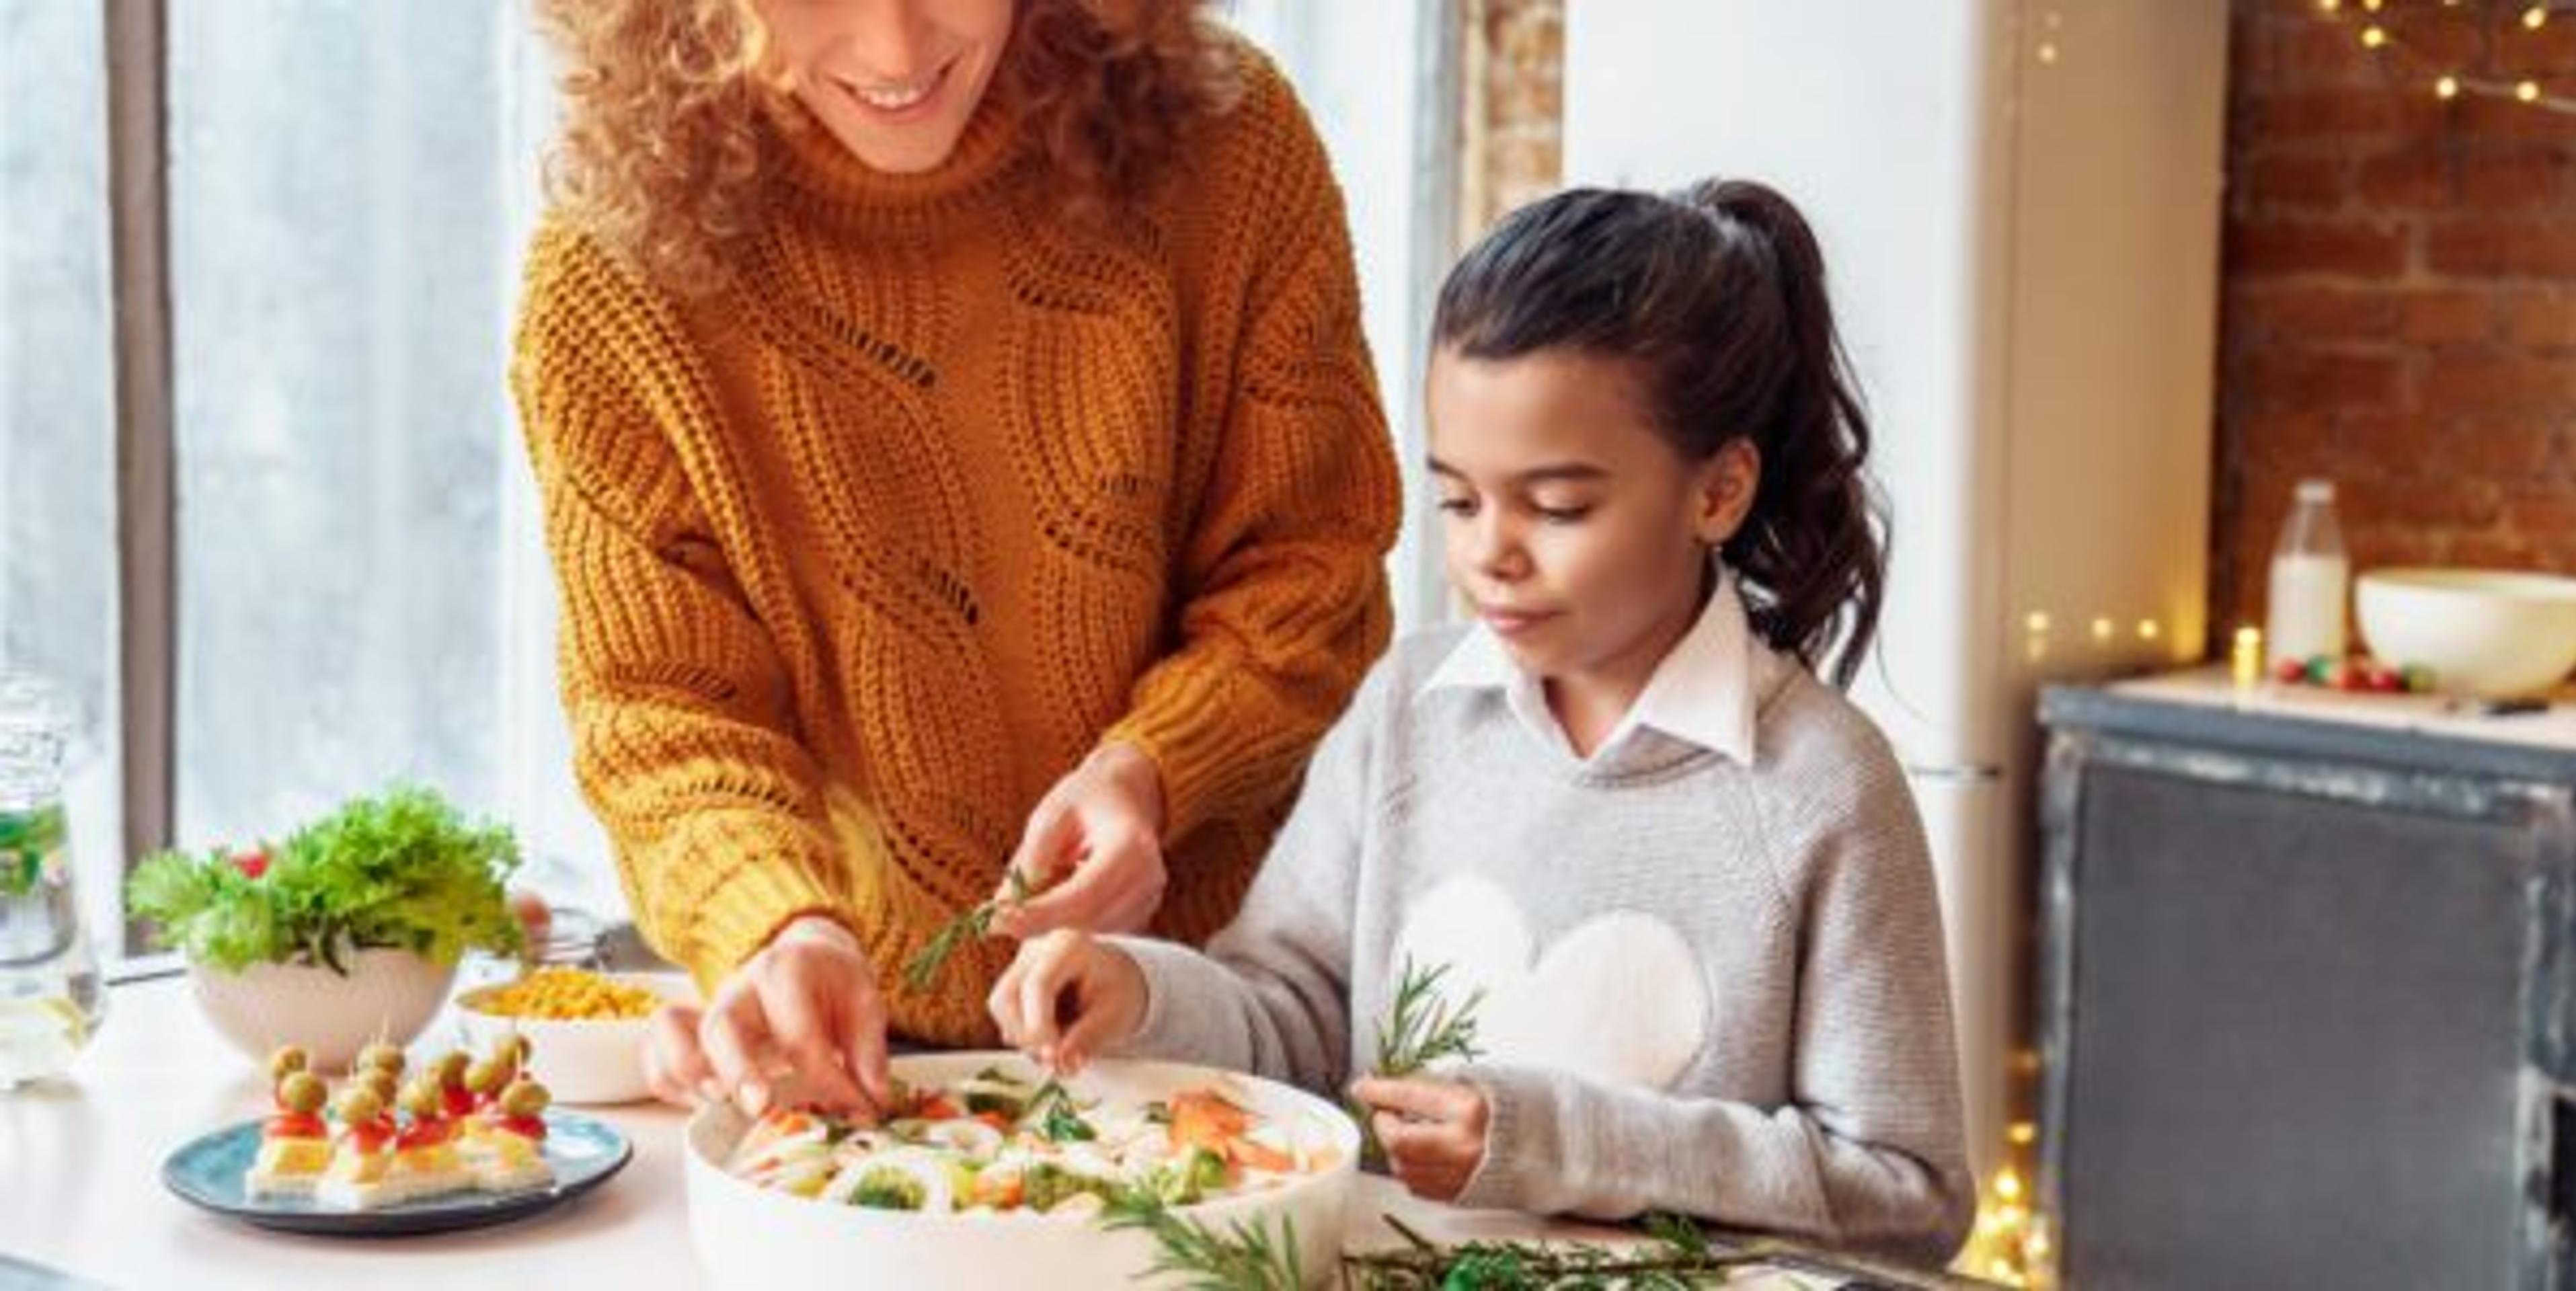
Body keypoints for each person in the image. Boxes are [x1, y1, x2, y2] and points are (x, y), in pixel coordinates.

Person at [990, 180, 1976, 1263]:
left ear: (1719, 492)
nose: (1489, 554)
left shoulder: (1822, 788)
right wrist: (1139, 993)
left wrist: (1551, 1142)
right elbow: (1296, 1023)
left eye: (1557, 507)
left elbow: (1907, 1196)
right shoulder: (1405, 714)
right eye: (1459, 501)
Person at [512, 0, 1399, 1118]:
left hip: (1225, 1018)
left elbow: (1310, 568)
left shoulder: (1230, 143)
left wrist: (1155, 771)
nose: (896, 50)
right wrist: (779, 921)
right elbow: (662, 709)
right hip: (863, 1060)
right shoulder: (613, 266)